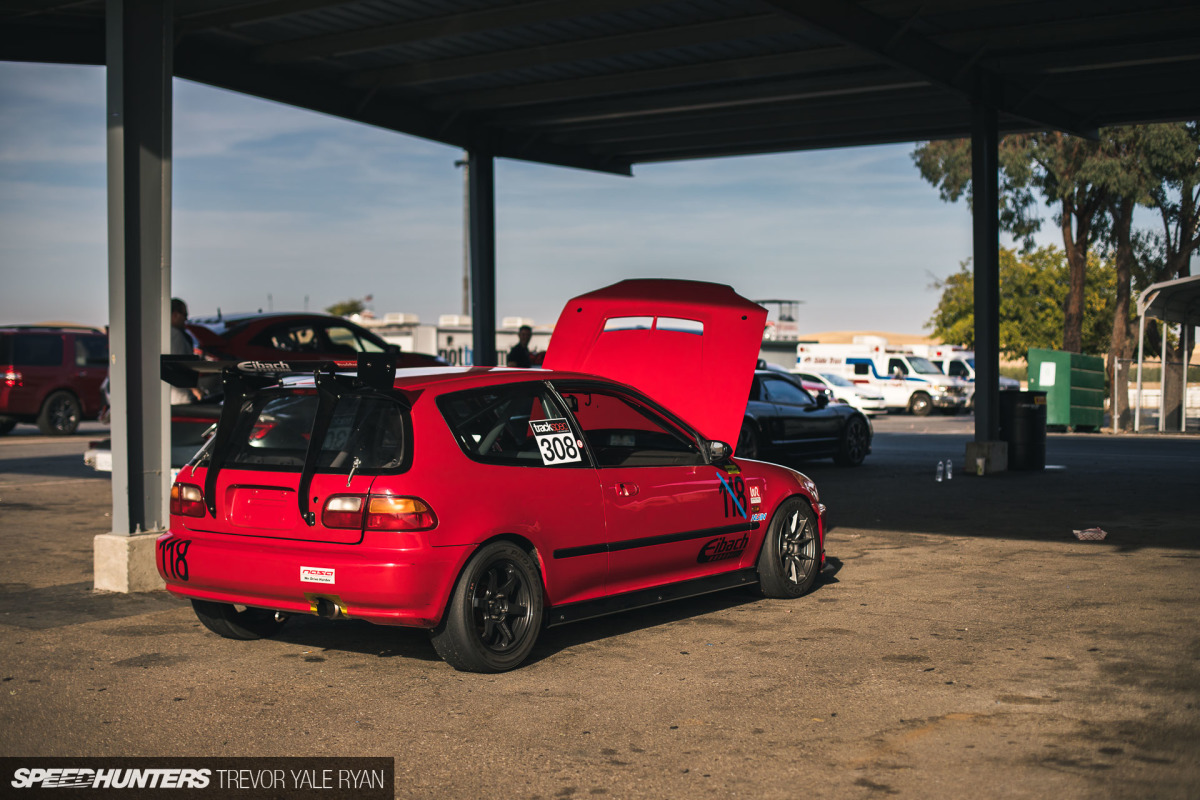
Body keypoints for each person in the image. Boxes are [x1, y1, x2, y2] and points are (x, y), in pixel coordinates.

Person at [168, 298, 200, 403]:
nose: (185, 319)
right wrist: (195, 390)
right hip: (180, 397)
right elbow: (180, 365)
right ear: (175, 315)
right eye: (185, 315)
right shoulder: (176, 335)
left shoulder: (164, 334)